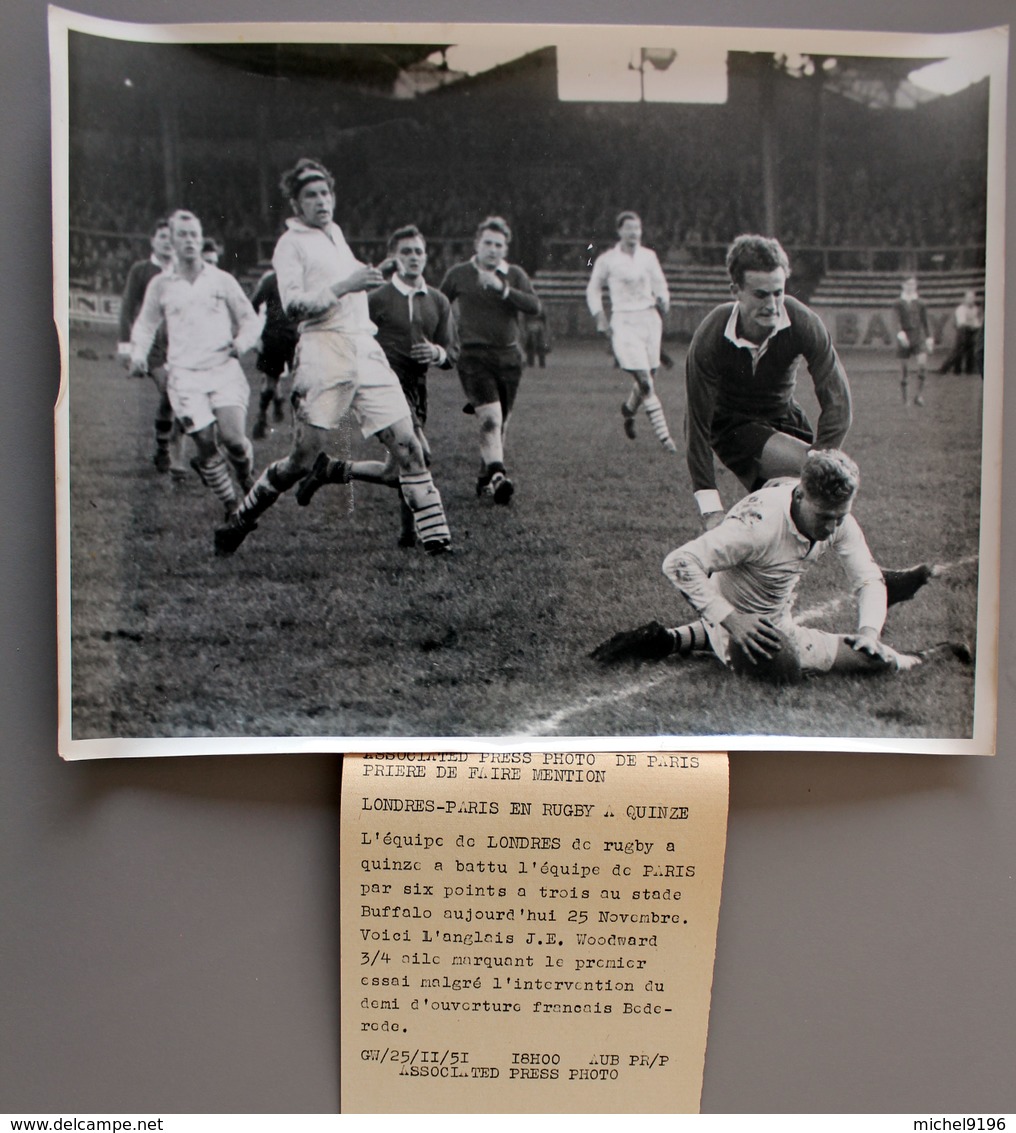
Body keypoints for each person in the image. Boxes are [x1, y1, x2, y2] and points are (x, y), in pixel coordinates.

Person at [214, 158, 452, 556]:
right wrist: (347, 284)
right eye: (311, 195)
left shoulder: (336, 234)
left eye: (325, 192)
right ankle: (240, 521)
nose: (321, 201)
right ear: (295, 203)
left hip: (365, 348)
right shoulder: (290, 245)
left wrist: (375, 271)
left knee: (409, 447)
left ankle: (439, 547)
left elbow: (351, 280)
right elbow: (292, 307)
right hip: (322, 350)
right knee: (301, 460)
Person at [684, 234, 930, 608]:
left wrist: (824, 459)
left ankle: (729, 587)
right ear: (735, 289)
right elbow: (697, 426)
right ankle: (876, 577)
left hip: (785, 417)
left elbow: (838, 403)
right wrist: (710, 509)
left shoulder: (800, 321)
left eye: (778, 292)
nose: (772, 304)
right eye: (760, 294)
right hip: (733, 427)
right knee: (818, 484)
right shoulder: (711, 335)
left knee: (797, 509)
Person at [590, 450, 968, 682]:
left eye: (841, 516)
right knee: (843, 667)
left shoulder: (835, 517)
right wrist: (733, 619)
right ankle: (923, 657)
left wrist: (869, 632)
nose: (833, 527)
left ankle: (672, 639)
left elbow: (869, 578)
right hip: (743, 632)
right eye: (825, 516)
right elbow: (679, 562)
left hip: (767, 620)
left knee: (866, 651)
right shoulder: (757, 527)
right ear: (801, 495)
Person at [129, 210, 262, 519]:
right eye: (182, 235)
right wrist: (138, 355)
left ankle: (244, 474)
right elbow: (146, 325)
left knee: (234, 441)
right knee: (204, 442)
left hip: (222, 369)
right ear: (171, 241)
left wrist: (240, 344)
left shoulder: (221, 280)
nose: (189, 241)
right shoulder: (161, 285)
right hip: (184, 377)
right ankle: (232, 507)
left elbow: (249, 321)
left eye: (194, 235)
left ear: (201, 240)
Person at [439, 216, 541, 505]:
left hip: (509, 357)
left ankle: (486, 477)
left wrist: (503, 290)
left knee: (501, 421)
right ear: (477, 244)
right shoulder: (459, 274)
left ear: (505, 249)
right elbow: (438, 303)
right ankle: (498, 475)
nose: (493, 249)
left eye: (499, 245)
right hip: (473, 357)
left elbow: (534, 306)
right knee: (490, 418)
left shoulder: (514, 274)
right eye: (488, 243)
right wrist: (444, 340)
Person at [365, 224, 455, 547]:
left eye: (418, 251)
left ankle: (333, 471)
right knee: (420, 452)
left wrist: (436, 352)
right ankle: (428, 534)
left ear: (426, 256)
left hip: (418, 388)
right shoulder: (376, 299)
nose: (413, 257)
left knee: (396, 468)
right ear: (393, 258)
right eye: (405, 252)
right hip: (386, 386)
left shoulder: (439, 301)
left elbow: (451, 352)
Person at [586, 211, 676, 451]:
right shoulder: (607, 260)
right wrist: (600, 317)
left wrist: (663, 300)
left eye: (637, 229)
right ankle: (666, 439)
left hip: (649, 319)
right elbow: (593, 289)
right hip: (624, 321)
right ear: (620, 231)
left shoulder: (649, 256)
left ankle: (628, 410)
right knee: (645, 381)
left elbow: (660, 284)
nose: (634, 233)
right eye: (629, 228)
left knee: (649, 375)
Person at [117, 216, 185, 478]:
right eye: (163, 237)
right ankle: (166, 450)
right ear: (153, 241)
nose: (168, 243)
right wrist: (126, 347)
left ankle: (166, 449)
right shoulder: (141, 270)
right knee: (171, 389)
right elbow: (126, 308)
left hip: (179, 343)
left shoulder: (181, 271)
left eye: (172, 237)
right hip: (153, 346)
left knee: (178, 395)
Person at [249, 269, 299, 438]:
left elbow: (254, 304)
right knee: (293, 382)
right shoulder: (293, 278)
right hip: (286, 336)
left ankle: (262, 420)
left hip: (281, 336)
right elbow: (253, 305)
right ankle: (291, 426)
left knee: (276, 381)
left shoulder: (272, 279)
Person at [894, 275, 934, 405]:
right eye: (908, 284)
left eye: (913, 284)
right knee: (904, 368)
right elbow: (896, 320)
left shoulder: (921, 303)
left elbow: (925, 321)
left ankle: (919, 395)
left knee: (922, 364)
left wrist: (929, 337)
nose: (910, 287)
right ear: (903, 285)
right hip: (905, 336)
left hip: (918, 336)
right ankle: (904, 398)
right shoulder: (898, 303)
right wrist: (901, 334)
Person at [938, 289, 982, 376]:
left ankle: (969, 370)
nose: (971, 299)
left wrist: (976, 324)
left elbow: (977, 321)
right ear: (965, 299)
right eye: (969, 297)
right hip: (963, 331)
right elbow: (961, 322)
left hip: (972, 332)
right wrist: (974, 324)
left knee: (970, 351)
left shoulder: (975, 309)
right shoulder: (961, 309)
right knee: (957, 352)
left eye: (973, 297)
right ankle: (944, 369)